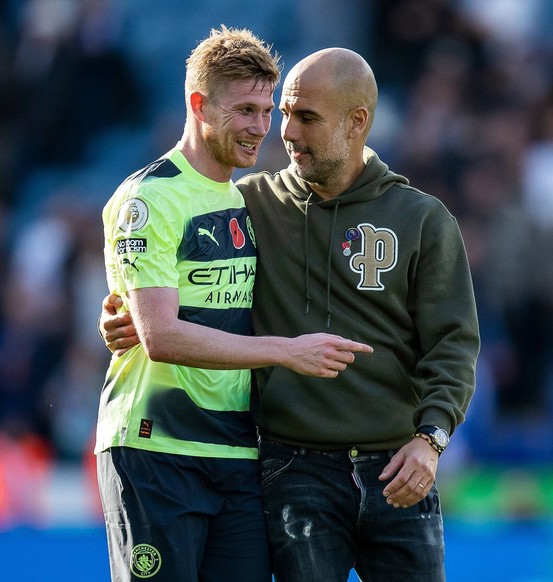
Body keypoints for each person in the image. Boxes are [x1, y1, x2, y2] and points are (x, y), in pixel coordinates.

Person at [101, 47, 479, 582]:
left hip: (396, 467)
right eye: (281, 114)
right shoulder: (249, 203)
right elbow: (163, 283)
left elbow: (455, 344)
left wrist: (431, 438)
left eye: (304, 117)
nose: (284, 132)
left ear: (357, 122)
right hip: (286, 466)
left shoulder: (422, 218)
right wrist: (125, 313)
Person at [95, 30, 372, 582]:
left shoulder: (249, 200)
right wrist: (286, 352)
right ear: (198, 105)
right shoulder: (150, 198)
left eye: (267, 110)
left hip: (237, 455)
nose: (260, 127)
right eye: (245, 109)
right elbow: (162, 337)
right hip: (156, 446)